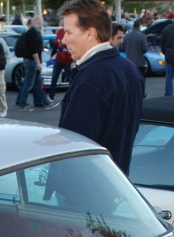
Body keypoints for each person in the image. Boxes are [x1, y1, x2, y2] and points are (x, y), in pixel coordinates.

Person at [57, 0, 142, 174]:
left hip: (85, 187)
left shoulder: (92, 77)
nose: (63, 40)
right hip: (117, 180)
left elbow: (76, 145)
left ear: (90, 33)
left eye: (68, 32)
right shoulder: (129, 68)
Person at [15, 16, 57, 111]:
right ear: (39, 22)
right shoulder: (34, 33)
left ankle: (42, 102)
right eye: (41, 22)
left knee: (36, 82)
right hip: (32, 61)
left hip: (28, 60)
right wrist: (38, 63)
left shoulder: (30, 32)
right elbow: (34, 50)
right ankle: (23, 103)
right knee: (29, 83)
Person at [121, 18, 149, 95]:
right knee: (141, 79)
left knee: (130, 79)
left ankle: (130, 93)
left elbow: (123, 48)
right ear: (139, 26)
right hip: (139, 62)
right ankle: (141, 93)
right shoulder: (142, 36)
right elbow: (145, 49)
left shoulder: (127, 36)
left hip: (129, 61)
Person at [48, 25, 73, 101]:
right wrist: (52, 55)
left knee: (70, 79)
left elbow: (73, 46)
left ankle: (73, 95)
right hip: (59, 59)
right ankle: (51, 96)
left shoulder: (71, 33)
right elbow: (56, 45)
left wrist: (73, 60)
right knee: (54, 77)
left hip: (67, 59)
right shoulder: (59, 32)